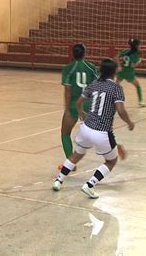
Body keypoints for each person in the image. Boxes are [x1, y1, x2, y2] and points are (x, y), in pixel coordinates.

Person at [52, 58, 135, 199]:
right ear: (114, 71)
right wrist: (129, 122)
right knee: (111, 161)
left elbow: (79, 102)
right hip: (102, 132)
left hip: (86, 128)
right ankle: (90, 185)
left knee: (77, 154)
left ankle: (58, 181)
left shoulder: (94, 83)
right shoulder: (116, 88)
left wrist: (81, 113)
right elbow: (120, 110)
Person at [58, 43, 99, 172]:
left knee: (65, 133)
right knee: (98, 133)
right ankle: (110, 152)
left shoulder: (68, 68)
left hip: (74, 104)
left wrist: (68, 108)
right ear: (84, 53)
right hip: (88, 103)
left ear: (72, 54)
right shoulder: (91, 67)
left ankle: (71, 163)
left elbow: (68, 90)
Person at [116, 38, 146, 107]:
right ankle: (140, 101)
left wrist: (119, 66)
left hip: (121, 71)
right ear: (137, 46)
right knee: (137, 85)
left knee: (115, 86)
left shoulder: (125, 51)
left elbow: (116, 56)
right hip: (129, 73)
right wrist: (139, 61)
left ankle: (108, 100)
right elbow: (133, 65)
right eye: (139, 45)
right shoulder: (136, 54)